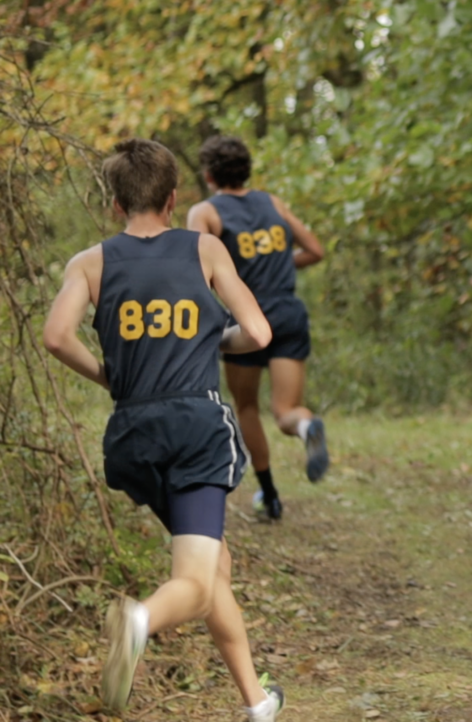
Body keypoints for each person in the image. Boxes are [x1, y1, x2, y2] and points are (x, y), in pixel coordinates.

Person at [43, 138, 283, 721]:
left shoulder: (90, 261)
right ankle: (141, 620)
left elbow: (55, 336)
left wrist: (110, 376)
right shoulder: (203, 250)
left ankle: (258, 704)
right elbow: (258, 333)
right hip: (196, 427)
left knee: (213, 568)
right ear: (174, 198)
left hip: (133, 434)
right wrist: (211, 338)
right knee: (195, 582)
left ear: (114, 203)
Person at [187, 135, 329, 521]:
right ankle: (307, 427)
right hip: (287, 311)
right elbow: (315, 250)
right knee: (285, 410)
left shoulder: (206, 213)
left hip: (246, 320)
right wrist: (281, 265)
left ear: (209, 174)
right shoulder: (274, 203)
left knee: (246, 405)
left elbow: (193, 270)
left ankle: (270, 496)